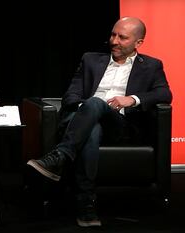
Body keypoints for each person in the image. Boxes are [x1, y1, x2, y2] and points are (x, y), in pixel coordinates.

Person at [27, 17, 172, 227]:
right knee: (92, 123)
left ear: (138, 43)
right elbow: (71, 95)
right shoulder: (91, 60)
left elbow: (164, 93)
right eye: (113, 34)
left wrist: (132, 99)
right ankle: (86, 204)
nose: (114, 41)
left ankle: (59, 157)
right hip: (84, 121)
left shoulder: (151, 65)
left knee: (96, 105)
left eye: (122, 37)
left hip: (119, 125)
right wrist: (88, 111)